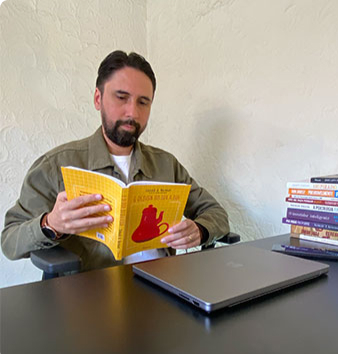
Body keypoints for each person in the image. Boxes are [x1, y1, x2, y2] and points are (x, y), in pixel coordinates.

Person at [2, 50, 229, 272]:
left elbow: (216, 213)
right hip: (90, 296)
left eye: (143, 102)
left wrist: (199, 230)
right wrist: (50, 224)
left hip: (162, 287)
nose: (132, 112)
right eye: (121, 97)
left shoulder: (166, 164)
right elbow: (10, 241)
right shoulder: (56, 164)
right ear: (98, 99)